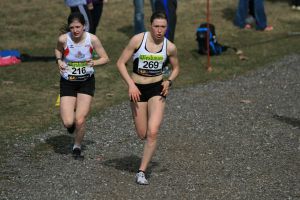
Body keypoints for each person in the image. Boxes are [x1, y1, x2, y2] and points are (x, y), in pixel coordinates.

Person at [116, 11, 180, 185]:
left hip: (156, 89)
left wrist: (169, 81)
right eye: (156, 26)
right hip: (137, 89)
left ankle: (141, 172)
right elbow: (120, 63)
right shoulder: (138, 40)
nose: (159, 30)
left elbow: (176, 68)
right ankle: (145, 153)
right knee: (142, 133)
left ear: (167, 28)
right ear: (150, 26)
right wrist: (130, 84)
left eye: (163, 27)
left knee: (153, 131)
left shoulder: (170, 47)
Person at [54, 12, 109, 159]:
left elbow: (105, 58)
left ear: (84, 26)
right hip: (68, 82)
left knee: (80, 119)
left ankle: (77, 146)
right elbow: (58, 50)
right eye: (72, 27)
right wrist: (59, 60)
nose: (75, 30)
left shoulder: (92, 39)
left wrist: (94, 62)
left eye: (78, 27)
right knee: (68, 122)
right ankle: (70, 119)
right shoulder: (64, 39)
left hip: (86, 81)